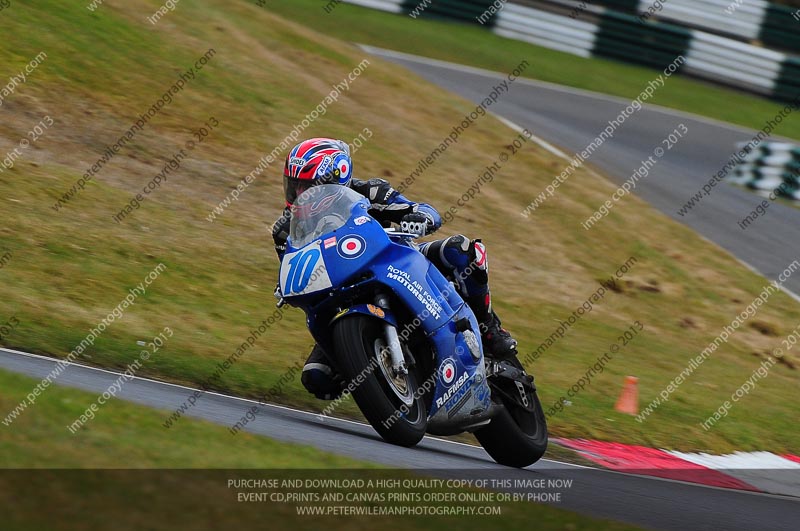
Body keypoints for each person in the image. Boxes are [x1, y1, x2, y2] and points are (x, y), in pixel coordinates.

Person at [272, 138, 517, 399]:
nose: (299, 193)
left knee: (462, 250)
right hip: (343, 296)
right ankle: (382, 383)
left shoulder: (370, 192)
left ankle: (489, 328)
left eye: (306, 186)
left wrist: (418, 218)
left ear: (335, 179)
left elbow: (424, 210)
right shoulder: (286, 230)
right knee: (317, 376)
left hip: (398, 261)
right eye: (294, 185)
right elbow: (297, 266)